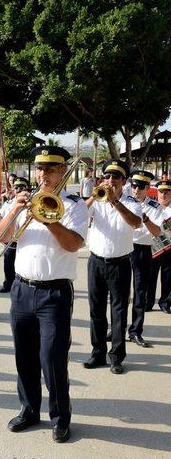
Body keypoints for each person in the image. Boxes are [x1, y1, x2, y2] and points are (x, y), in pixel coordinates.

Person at [0, 146, 88, 443]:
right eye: (40, 168)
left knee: (51, 358)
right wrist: (15, 209)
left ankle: (60, 417)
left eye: (51, 168)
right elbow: (2, 237)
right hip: (22, 289)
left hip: (55, 294)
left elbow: (74, 244)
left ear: (63, 171)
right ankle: (29, 409)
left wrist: (47, 218)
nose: (44, 174)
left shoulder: (74, 205)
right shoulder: (25, 201)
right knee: (24, 355)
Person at [84, 159, 142, 374]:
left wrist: (115, 202)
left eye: (115, 177)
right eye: (107, 176)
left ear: (124, 180)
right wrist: (95, 196)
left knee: (118, 312)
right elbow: (79, 212)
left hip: (120, 264)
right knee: (96, 311)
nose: (110, 181)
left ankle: (116, 357)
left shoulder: (132, 202)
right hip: (96, 262)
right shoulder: (96, 200)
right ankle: (97, 353)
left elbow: (136, 223)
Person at [127, 170, 164, 346]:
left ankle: (135, 331)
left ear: (148, 188)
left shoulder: (155, 207)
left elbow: (158, 232)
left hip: (142, 250)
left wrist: (145, 219)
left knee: (140, 293)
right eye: (134, 186)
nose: (136, 190)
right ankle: (117, 329)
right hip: (123, 249)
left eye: (141, 187)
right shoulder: (125, 202)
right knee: (119, 294)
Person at [0, 176, 29, 293]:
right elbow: (1, 217)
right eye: (16, 187)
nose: (19, 190)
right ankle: (8, 284)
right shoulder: (8, 203)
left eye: (22, 187)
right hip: (11, 240)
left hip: (25, 240)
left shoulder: (31, 202)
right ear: (12, 189)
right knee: (8, 264)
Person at [147, 179, 171, 313]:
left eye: (167, 192)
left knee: (167, 276)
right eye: (161, 192)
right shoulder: (152, 207)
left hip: (169, 248)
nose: (163, 195)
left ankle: (165, 303)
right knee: (150, 275)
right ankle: (148, 302)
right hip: (153, 247)